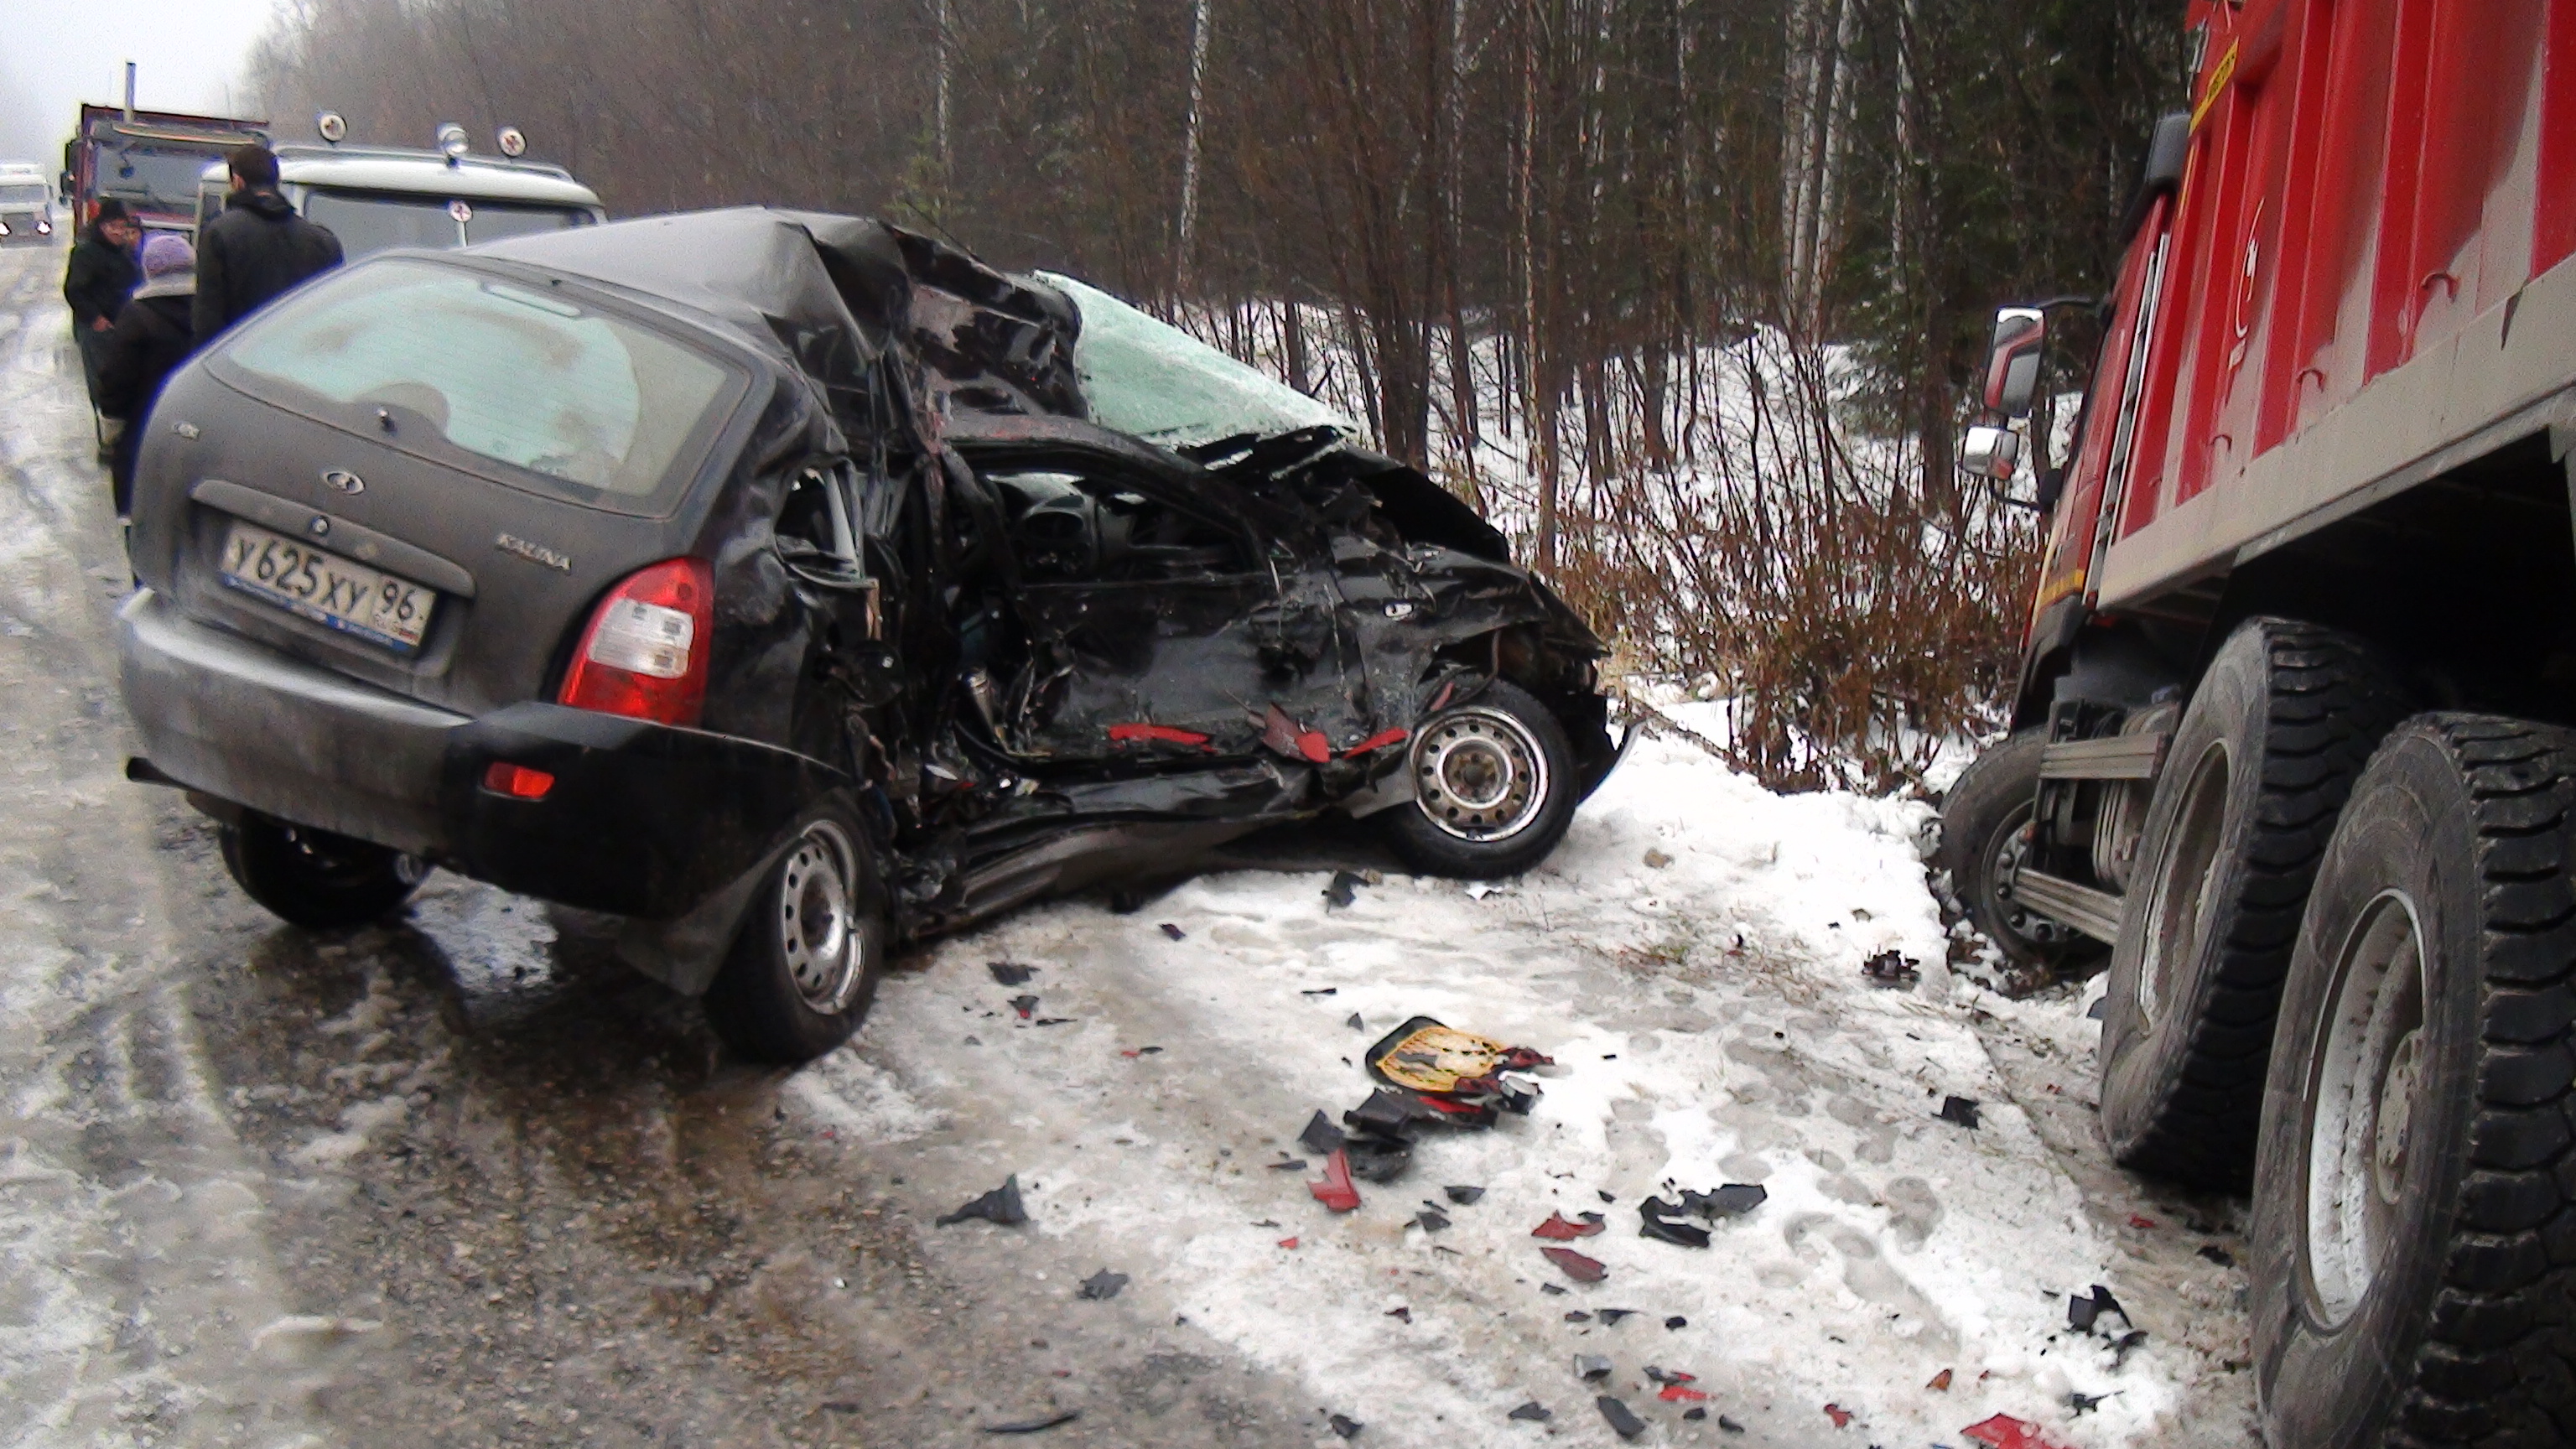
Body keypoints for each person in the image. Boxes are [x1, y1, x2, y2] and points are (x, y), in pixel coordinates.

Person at [194, 142, 342, 342]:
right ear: (277, 181)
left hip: (239, 358)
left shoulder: (219, 234)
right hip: (297, 359)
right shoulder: (322, 241)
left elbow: (208, 319)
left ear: (237, 181)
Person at [96, 233, 198, 518]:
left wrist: (111, 427)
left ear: (148, 271)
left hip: (143, 434)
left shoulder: (136, 315)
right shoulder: (210, 311)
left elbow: (116, 378)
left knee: (140, 517)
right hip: (197, 432)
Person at [64, 199, 142, 460]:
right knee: (102, 384)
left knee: (124, 382)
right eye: (113, 227)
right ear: (101, 226)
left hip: (125, 325)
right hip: (99, 328)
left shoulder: (125, 251)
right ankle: (108, 442)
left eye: (123, 227)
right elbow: (75, 290)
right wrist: (94, 318)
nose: (118, 232)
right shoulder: (86, 252)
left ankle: (124, 438)